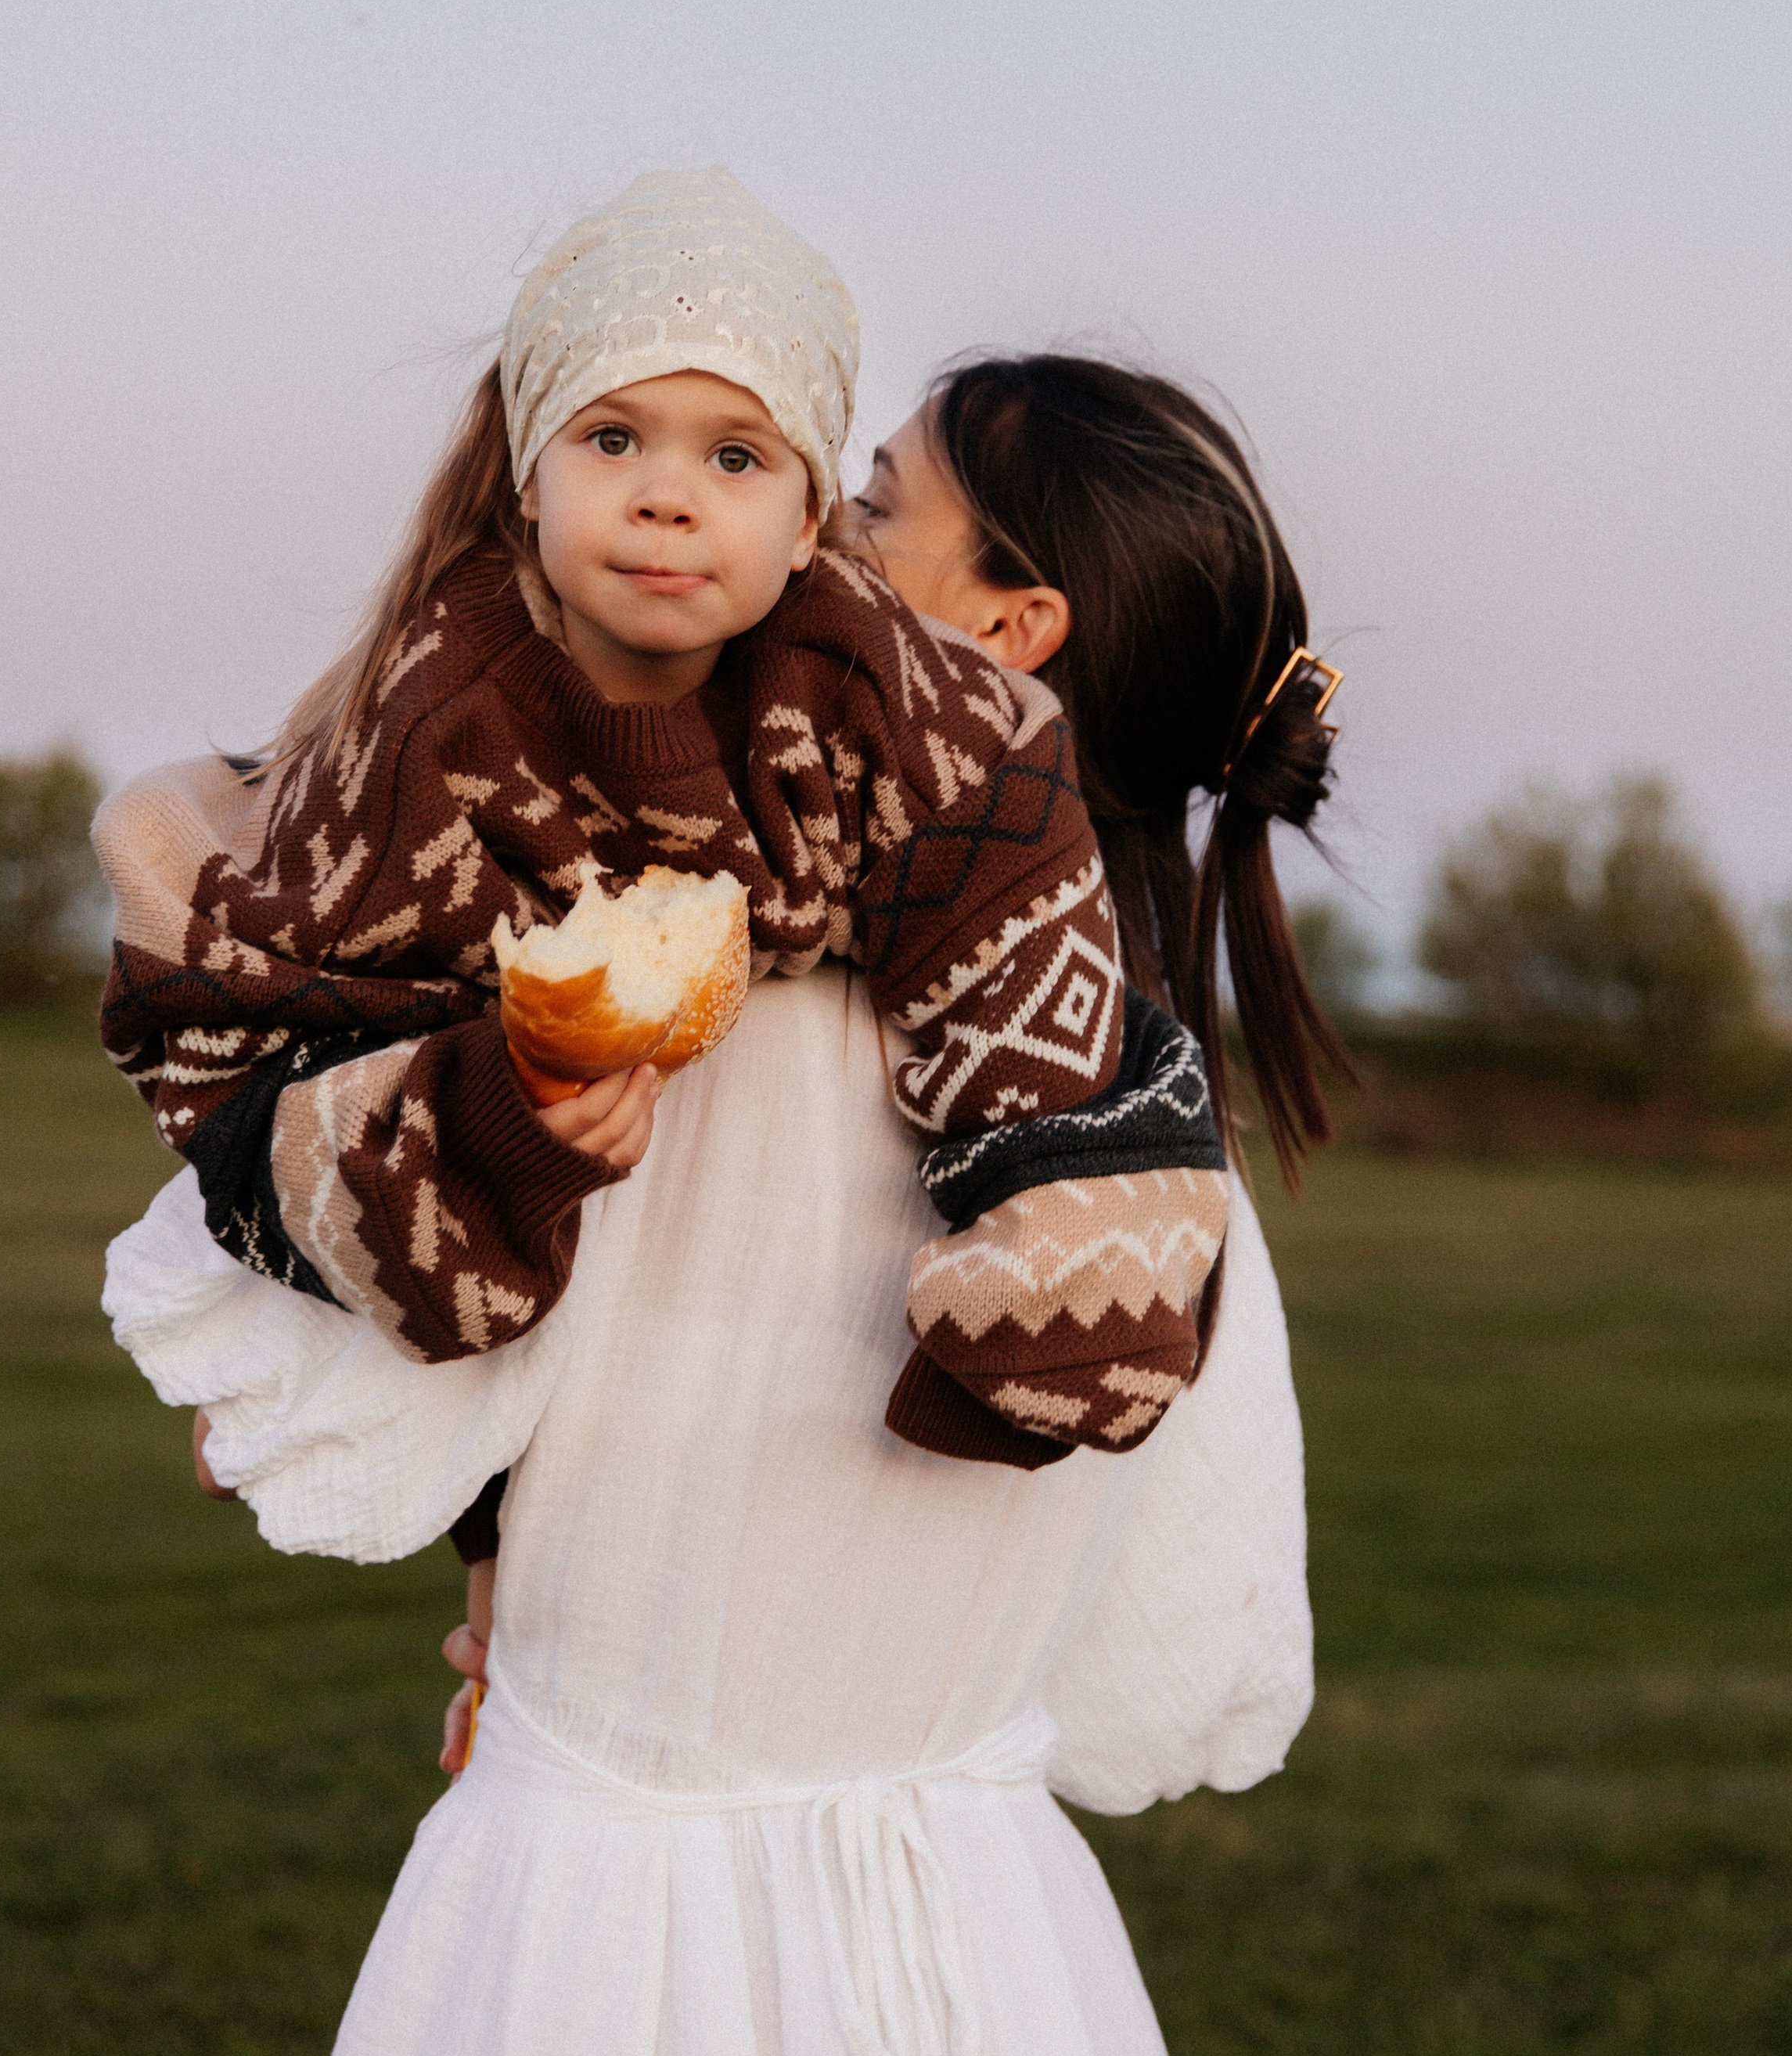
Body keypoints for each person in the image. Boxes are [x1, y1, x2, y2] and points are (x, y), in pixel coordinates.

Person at [103, 338, 1343, 2056]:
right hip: (981, 1977)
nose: (813, 541)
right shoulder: (1147, 1143)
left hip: (609, 1960)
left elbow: (288, 1441)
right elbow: (1160, 1678)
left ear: (1005, 630)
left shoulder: (663, 1021)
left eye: (868, 502)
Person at [95, 169, 1229, 1464]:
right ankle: (414, 1477)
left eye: (735, 457)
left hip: (782, 1355)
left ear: (810, 523)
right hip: (462, 1088)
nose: (664, 495)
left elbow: (1017, 905)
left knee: (1085, 1064)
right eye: (613, 439)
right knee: (377, 1287)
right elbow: (314, 1009)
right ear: (528, 475)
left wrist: (1051, 1285)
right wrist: (501, 1114)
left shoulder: (896, 695)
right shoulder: (438, 727)